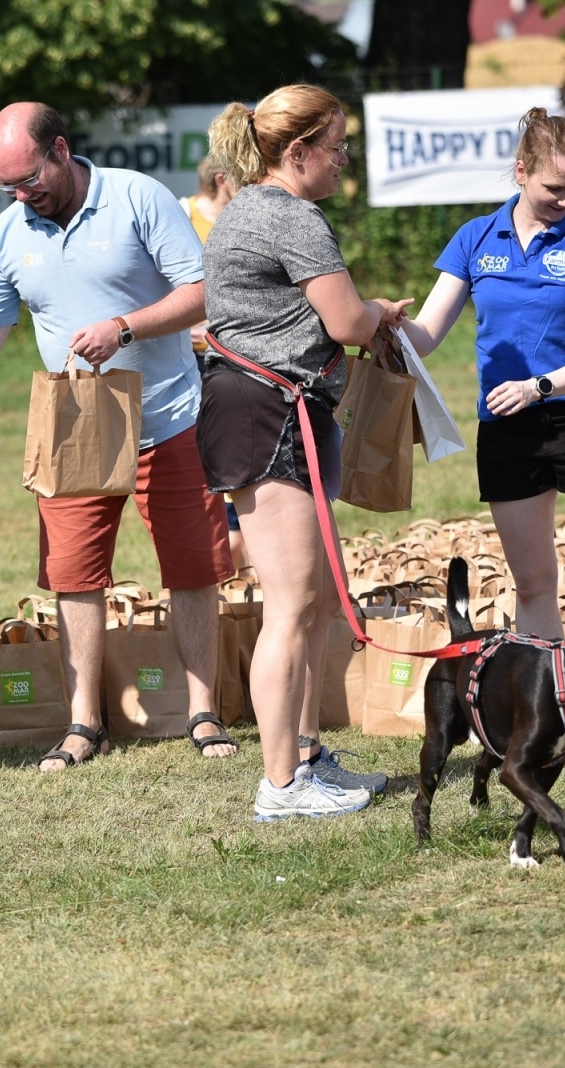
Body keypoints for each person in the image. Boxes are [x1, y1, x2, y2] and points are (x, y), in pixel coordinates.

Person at [0, 102, 237, 769]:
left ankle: (204, 712)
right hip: (75, 422)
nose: (21, 196)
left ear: (60, 149)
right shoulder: (7, 233)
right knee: (74, 575)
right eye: (8, 187)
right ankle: (85, 723)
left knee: (193, 568)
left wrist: (124, 327)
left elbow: (203, 291)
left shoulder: (137, 197)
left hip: (171, 415)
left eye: (29, 179)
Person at [201, 84, 409, 820]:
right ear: (298, 152)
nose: (343, 161)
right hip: (270, 414)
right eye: (337, 148)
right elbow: (348, 322)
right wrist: (380, 311)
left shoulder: (248, 208)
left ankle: (308, 758)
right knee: (290, 607)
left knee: (313, 598)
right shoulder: (291, 216)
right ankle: (281, 785)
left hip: (270, 408)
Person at [402, 109, 565, 675]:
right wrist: (376, 321)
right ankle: (550, 709)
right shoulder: (475, 238)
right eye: (555, 188)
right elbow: (424, 336)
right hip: (508, 430)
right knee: (533, 584)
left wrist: (537, 387)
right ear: (521, 172)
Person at [180, 154, 249, 573]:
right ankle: (223, 560)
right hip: (192, 360)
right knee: (205, 454)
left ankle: (245, 561)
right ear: (222, 180)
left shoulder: (245, 218)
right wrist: (179, 330)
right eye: (244, 178)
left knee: (240, 449)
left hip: (237, 354)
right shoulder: (183, 215)